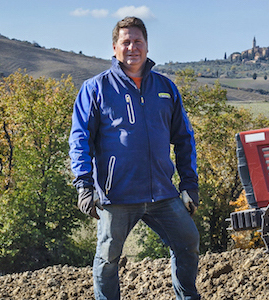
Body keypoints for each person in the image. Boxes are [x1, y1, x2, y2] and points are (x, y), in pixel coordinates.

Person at [69, 16, 201, 300]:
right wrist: (83, 185)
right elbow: (80, 140)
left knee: (188, 242)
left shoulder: (166, 88)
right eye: (125, 42)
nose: (132, 47)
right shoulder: (96, 89)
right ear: (114, 47)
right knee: (107, 259)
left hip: (162, 194)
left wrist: (189, 185)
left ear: (147, 46)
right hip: (117, 196)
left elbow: (184, 138)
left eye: (137, 41)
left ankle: (187, 296)